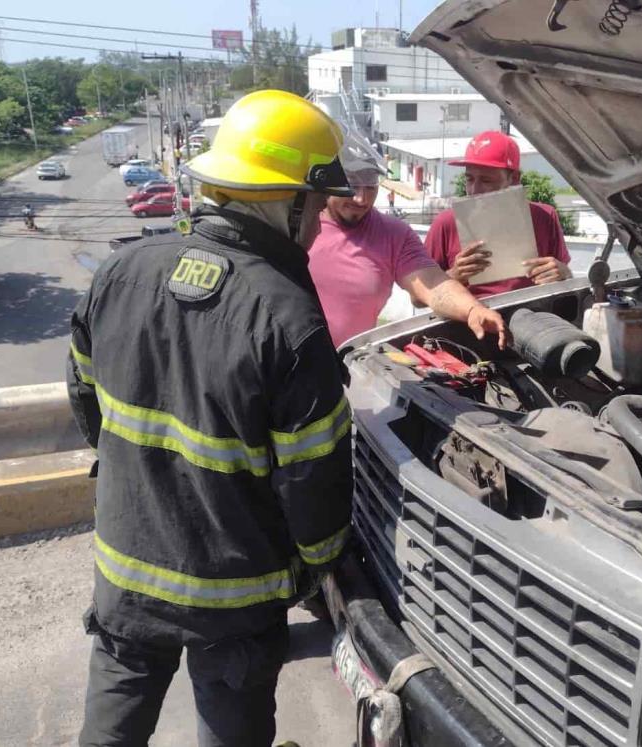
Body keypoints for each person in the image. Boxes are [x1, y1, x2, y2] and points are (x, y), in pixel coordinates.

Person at [68, 89, 354, 747]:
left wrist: (137, 480)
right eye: (317, 209)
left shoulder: (120, 271)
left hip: (127, 574)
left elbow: (88, 406)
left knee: (108, 733)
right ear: (291, 200)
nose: (319, 229)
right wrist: (317, 563)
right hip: (236, 600)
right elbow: (314, 488)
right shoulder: (290, 320)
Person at [308, 129, 508, 349]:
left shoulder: (393, 234)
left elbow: (432, 285)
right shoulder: (299, 224)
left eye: (370, 187)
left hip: (348, 369)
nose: (361, 199)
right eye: (351, 185)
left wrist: (472, 310)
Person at [424, 130, 572, 298]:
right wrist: (454, 275)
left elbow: (565, 276)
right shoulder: (446, 223)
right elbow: (419, 298)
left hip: (532, 314)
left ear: (514, 178)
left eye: (486, 181)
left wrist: (563, 273)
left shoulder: (545, 216)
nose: (474, 190)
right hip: (468, 318)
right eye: (469, 179)